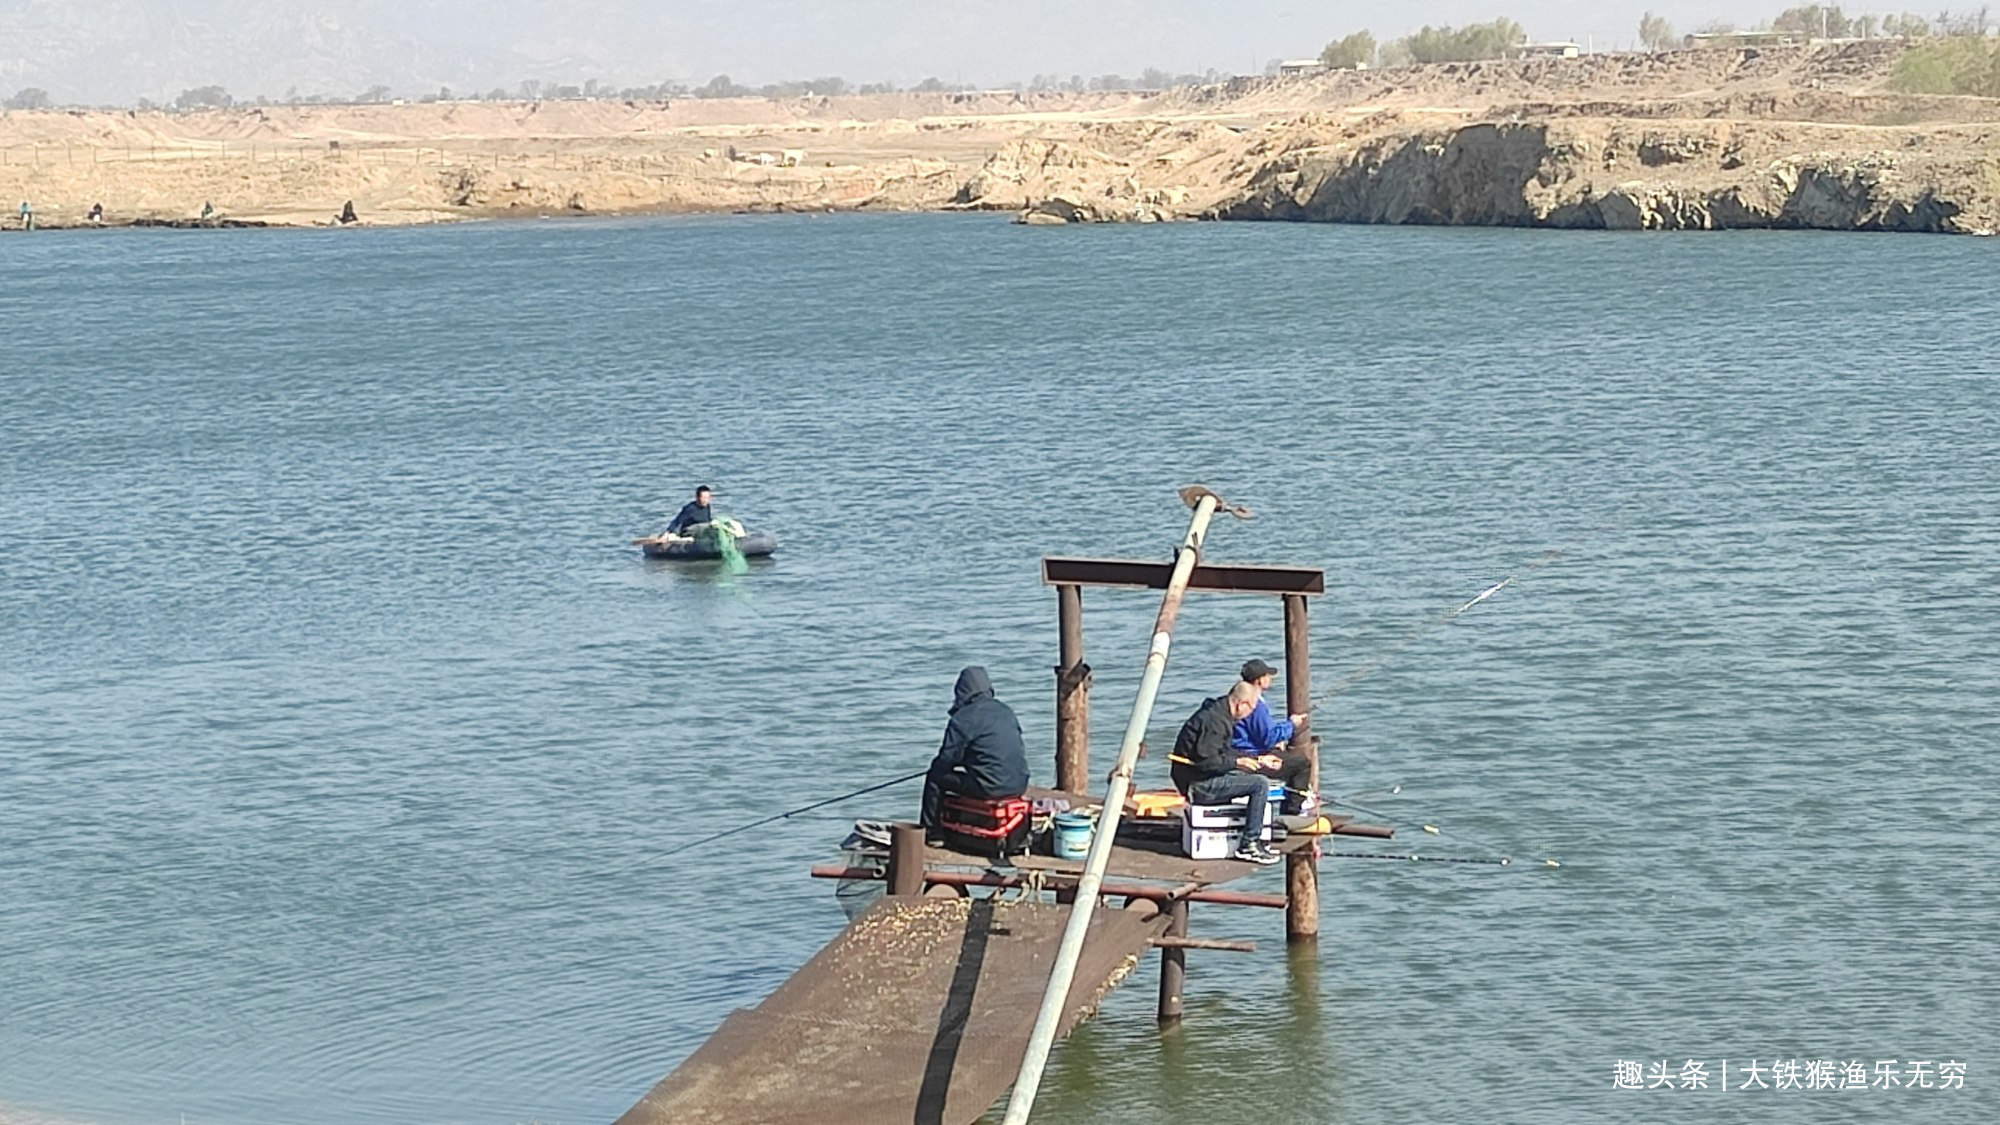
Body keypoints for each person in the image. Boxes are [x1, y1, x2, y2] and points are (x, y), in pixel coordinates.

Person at [1171, 682, 1282, 865]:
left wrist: (1259, 759)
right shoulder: (1214, 722)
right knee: (1260, 784)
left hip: (1201, 777)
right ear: (1242, 704)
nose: (1250, 715)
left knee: (1254, 779)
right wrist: (1237, 762)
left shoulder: (1221, 713)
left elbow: (1223, 752)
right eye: (1251, 710)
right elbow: (1206, 762)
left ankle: (1256, 839)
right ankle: (1248, 845)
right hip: (1198, 785)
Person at [922, 666, 1029, 843]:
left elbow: (946, 760)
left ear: (962, 690)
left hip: (989, 786)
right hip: (1019, 784)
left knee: (935, 777)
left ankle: (932, 833)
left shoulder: (963, 717)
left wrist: (943, 766)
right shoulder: (1006, 711)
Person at [1231, 658, 1314, 814]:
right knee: (1302, 765)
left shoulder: (1238, 697)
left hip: (1242, 751)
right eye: (1268, 676)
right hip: (1251, 757)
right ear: (1260, 681)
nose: (1271, 678)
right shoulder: (1256, 705)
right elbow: (1268, 737)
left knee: (1284, 757)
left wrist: (1280, 734)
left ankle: (1291, 802)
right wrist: (1292, 724)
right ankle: (1293, 810)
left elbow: (1259, 733)